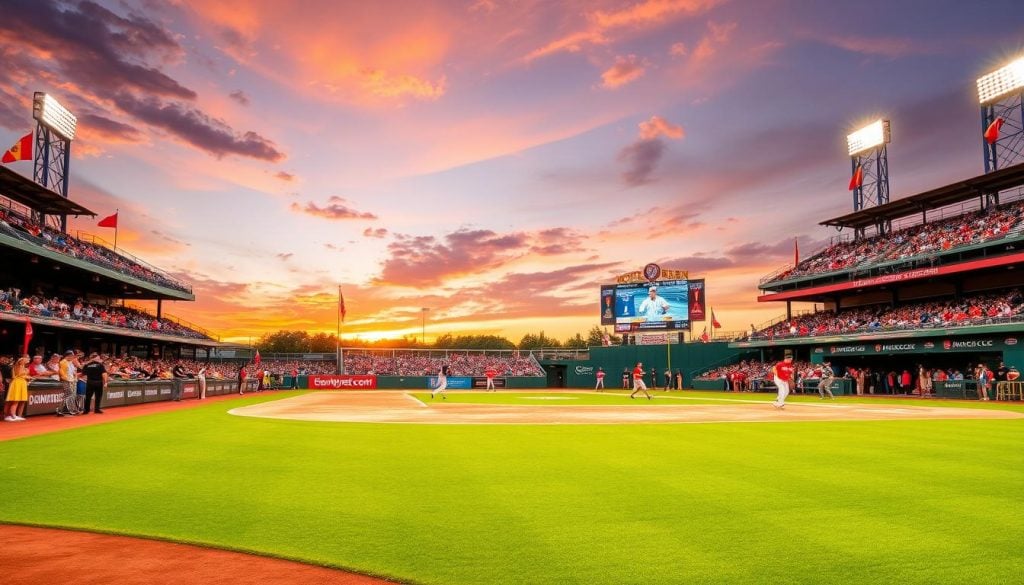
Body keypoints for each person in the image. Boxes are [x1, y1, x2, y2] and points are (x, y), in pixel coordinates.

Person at [4, 356, 29, 422]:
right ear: (20, 361)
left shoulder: (23, 367)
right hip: (16, 383)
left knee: (20, 399)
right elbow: (18, 374)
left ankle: (16, 415)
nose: (26, 361)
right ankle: (12, 415)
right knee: (15, 399)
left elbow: (23, 375)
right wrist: (25, 372)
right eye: (24, 360)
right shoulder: (17, 367)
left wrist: (28, 377)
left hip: (22, 383)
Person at [57, 350, 80, 416]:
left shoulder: (70, 362)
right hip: (66, 381)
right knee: (68, 394)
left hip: (71, 380)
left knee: (70, 395)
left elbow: (73, 372)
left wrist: (75, 378)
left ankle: (68, 410)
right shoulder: (63, 362)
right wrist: (68, 379)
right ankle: (62, 410)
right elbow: (62, 373)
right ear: (68, 356)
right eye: (72, 356)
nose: (73, 357)